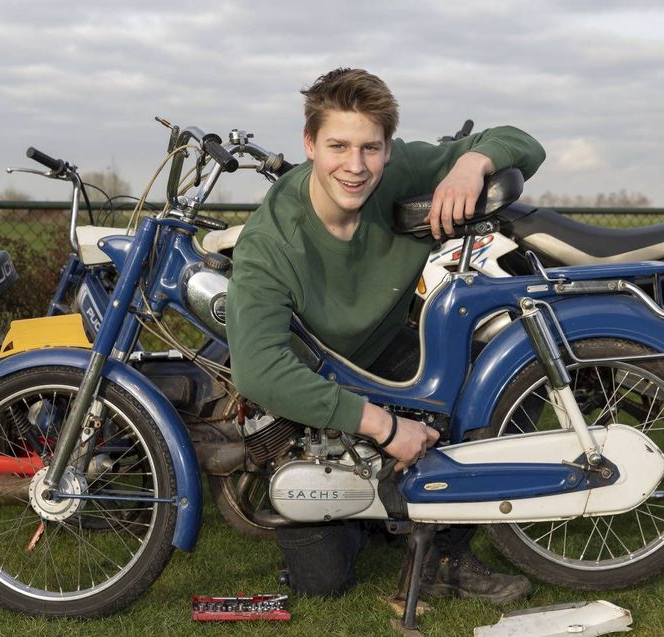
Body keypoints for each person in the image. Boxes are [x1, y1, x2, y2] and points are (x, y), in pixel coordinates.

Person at [226, 68, 546, 601]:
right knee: (324, 582)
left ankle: (448, 553)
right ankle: (384, 501)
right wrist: (383, 427)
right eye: (338, 146)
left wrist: (470, 165)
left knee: (501, 375)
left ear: (388, 149)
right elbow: (259, 370)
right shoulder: (272, 239)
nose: (355, 166)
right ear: (309, 143)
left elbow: (523, 143)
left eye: (370, 148)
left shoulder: (401, 170)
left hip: (387, 356)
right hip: (314, 393)